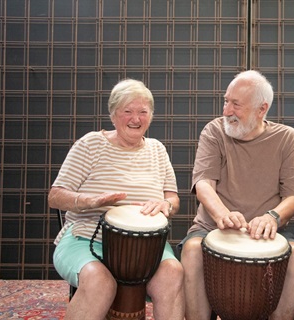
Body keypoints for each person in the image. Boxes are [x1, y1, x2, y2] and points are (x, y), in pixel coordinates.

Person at [49, 79, 185, 320]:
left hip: (147, 246)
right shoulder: (90, 144)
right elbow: (55, 196)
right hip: (86, 237)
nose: (136, 119)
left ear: (151, 116)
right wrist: (90, 201)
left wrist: (167, 205)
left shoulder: (157, 150)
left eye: (143, 112)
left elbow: (173, 199)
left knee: (173, 272)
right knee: (99, 281)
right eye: (127, 111)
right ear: (113, 115)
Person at [179, 70, 294, 320]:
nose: (227, 110)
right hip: (212, 228)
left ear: (262, 109)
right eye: (226, 101)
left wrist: (272, 217)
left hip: (270, 233)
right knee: (193, 250)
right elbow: (203, 182)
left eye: (235, 104)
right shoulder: (214, 131)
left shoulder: (287, 138)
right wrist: (223, 215)